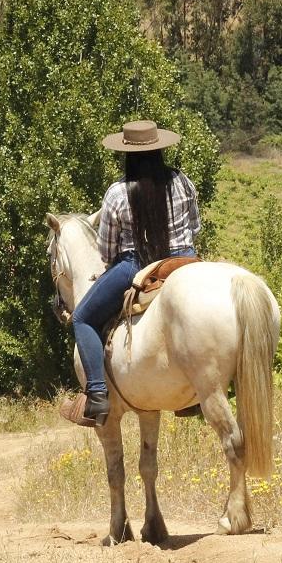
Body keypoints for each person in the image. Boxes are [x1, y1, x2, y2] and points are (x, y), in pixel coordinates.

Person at [68, 121, 201, 427]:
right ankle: (195, 394)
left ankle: (98, 395)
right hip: (185, 261)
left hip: (136, 265)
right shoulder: (183, 182)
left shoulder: (117, 193)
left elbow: (107, 250)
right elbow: (194, 228)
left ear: (127, 155)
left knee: (82, 319)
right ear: (160, 150)